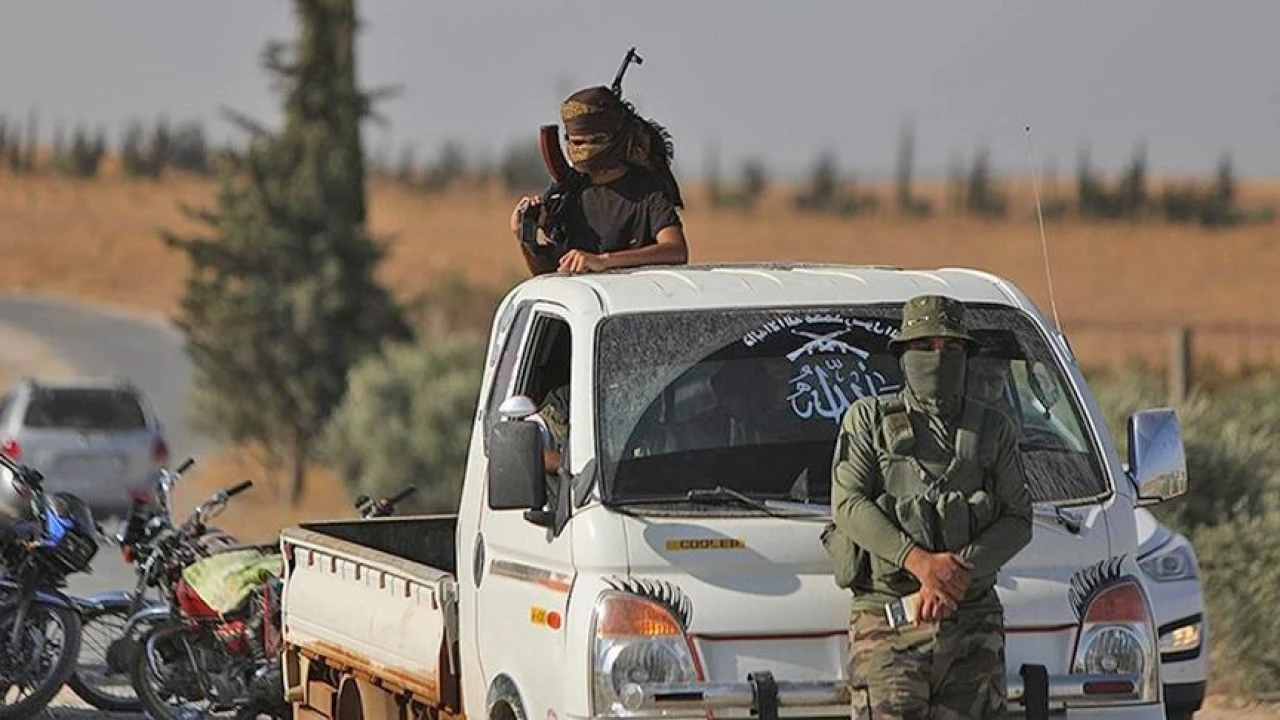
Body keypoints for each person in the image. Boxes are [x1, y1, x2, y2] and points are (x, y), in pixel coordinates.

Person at [826, 294, 1033, 719]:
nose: (938, 358)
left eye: (952, 348)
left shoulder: (993, 428)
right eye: (925, 347)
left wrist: (952, 576)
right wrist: (919, 564)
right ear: (903, 355)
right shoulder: (868, 421)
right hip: (888, 622)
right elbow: (848, 503)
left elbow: (1018, 518)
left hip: (972, 623)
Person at [510, 85, 690, 276]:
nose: (584, 149)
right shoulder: (567, 194)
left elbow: (675, 250)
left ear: (615, 140)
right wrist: (525, 239)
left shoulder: (646, 193)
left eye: (595, 140)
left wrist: (604, 261)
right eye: (577, 142)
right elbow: (549, 275)